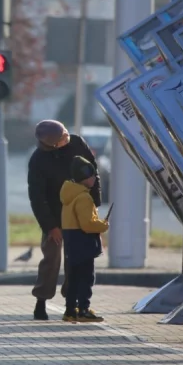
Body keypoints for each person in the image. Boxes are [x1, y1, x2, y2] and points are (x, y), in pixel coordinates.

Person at [28, 120, 101, 321]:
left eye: (66, 133)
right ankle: (41, 302)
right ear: (51, 143)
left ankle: (73, 303)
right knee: (51, 260)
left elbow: (92, 170)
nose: (67, 138)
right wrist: (51, 227)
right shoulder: (38, 160)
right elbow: (37, 197)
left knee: (76, 260)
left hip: (80, 211)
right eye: (62, 138)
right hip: (54, 215)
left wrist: (94, 203)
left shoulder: (77, 143)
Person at [60, 156, 108, 322]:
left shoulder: (69, 195)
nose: (95, 179)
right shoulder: (84, 198)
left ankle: (70, 310)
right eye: (93, 176)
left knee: (73, 278)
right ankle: (84, 309)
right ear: (85, 177)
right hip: (83, 243)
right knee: (86, 278)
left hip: (71, 242)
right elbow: (88, 224)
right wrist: (103, 226)